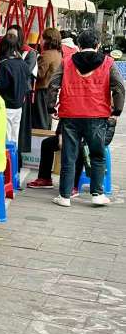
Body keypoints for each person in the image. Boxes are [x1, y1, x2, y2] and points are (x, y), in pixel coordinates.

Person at [46, 29, 124, 207]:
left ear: (79, 45)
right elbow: (119, 87)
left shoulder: (67, 62)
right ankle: (97, 194)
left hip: (70, 115)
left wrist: (51, 106)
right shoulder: (108, 63)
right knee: (97, 155)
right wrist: (117, 111)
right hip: (97, 115)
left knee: (69, 156)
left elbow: (53, 84)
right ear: (98, 45)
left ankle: (65, 196)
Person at [0, 32, 32, 147]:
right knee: (14, 137)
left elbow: (1, 85)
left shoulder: (5, 65)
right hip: (18, 105)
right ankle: (15, 158)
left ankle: (8, 158)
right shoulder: (22, 63)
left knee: (6, 138)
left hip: (7, 105)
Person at [33, 28, 62, 130]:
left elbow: (39, 74)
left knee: (40, 119)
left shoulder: (46, 55)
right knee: (46, 118)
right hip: (52, 90)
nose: (41, 41)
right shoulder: (58, 53)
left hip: (43, 89)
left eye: (42, 38)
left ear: (47, 40)